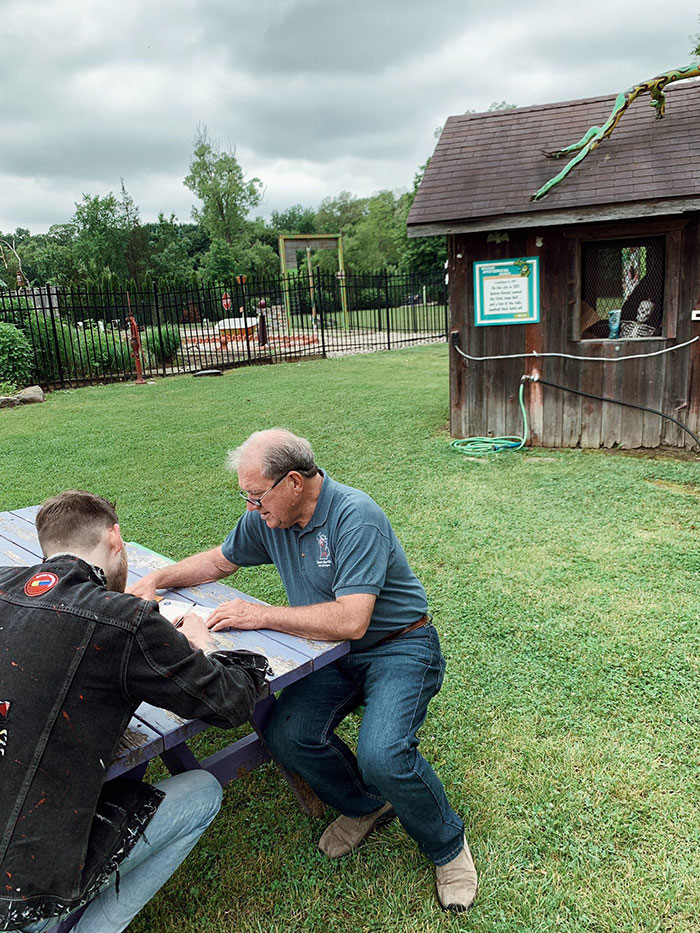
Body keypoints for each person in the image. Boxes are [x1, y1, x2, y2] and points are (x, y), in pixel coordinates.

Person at [128, 428, 477, 912]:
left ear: (293, 482)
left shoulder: (356, 517)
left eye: (255, 496)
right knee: (286, 734)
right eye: (245, 496)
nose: (251, 508)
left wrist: (262, 615)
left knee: (383, 754)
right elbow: (219, 561)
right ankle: (366, 805)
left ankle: (447, 845)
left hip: (400, 646)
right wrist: (153, 579)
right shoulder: (271, 516)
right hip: (331, 654)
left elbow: (352, 620)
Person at [1, 490, 270, 933]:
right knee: (203, 789)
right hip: (21, 893)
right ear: (116, 538)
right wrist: (203, 648)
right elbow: (232, 702)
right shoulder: (123, 618)